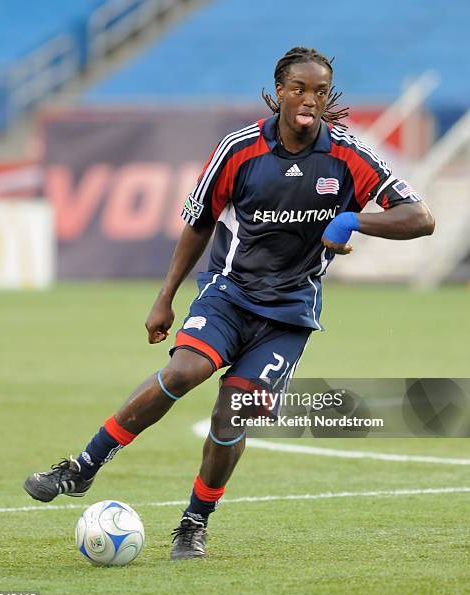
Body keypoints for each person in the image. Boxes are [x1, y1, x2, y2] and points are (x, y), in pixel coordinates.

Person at [24, 46, 435, 559]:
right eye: (300, 89)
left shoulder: (349, 155)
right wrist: (164, 298)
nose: (310, 99)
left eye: (320, 91)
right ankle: (83, 466)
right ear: (280, 91)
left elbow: (420, 218)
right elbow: (199, 223)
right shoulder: (239, 149)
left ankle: (194, 522)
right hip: (229, 291)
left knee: (230, 417)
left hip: (289, 314)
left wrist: (355, 219)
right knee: (183, 372)